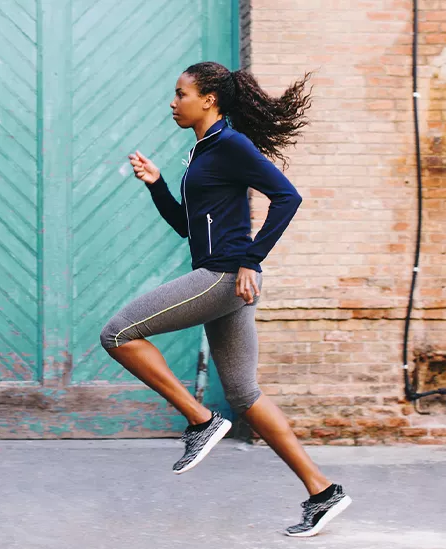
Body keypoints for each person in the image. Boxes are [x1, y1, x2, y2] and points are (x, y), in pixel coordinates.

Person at [99, 61, 351, 537]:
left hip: (222, 278)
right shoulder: (202, 152)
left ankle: (201, 420)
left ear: (208, 99)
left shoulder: (230, 144)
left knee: (117, 334)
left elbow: (287, 197)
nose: (173, 103)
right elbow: (188, 229)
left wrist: (251, 260)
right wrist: (156, 186)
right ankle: (323, 492)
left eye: (180, 94)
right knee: (244, 394)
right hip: (219, 274)